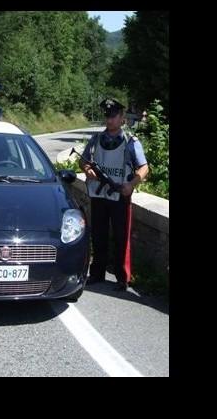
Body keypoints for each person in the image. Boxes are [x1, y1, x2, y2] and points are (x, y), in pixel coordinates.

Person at [81, 98, 149, 291]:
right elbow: (84, 161)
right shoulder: (96, 140)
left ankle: (122, 278)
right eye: (107, 116)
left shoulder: (130, 142)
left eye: (113, 116)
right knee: (99, 235)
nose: (109, 119)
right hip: (99, 196)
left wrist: (132, 184)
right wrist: (87, 170)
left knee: (121, 237)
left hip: (120, 196)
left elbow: (144, 167)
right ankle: (97, 274)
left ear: (121, 118)